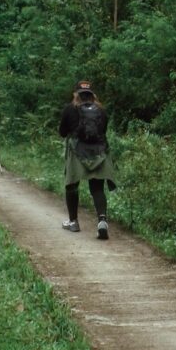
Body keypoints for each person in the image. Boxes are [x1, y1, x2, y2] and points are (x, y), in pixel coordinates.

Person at [59, 80, 116, 240]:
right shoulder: (102, 111)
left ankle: (73, 222)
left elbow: (62, 132)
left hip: (77, 152)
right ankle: (102, 220)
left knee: (72, 185)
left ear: (76, 94)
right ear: (93, 95)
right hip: (99, 153)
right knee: (97, 188)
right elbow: (103, 130)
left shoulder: (70, 109)